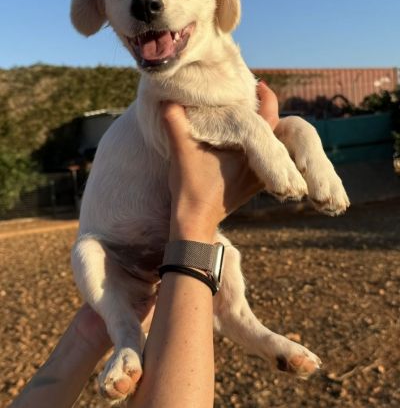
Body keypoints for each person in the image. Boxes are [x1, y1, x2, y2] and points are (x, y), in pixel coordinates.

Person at [10, 82, 279, 408]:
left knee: (226, 252)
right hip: (116, 249)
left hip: (149, 245)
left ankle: (249, 329)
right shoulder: (162, 98)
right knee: (86, 252)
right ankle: (127, 339)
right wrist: (197, 223)